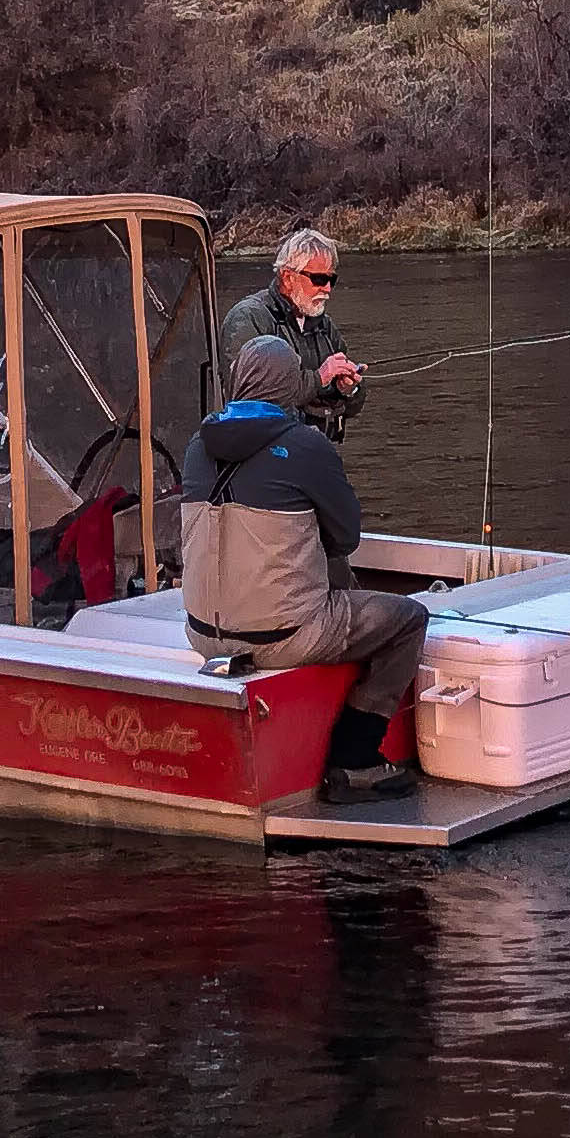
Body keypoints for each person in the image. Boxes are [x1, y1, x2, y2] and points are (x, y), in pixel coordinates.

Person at [179, 335, 424, 805]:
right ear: (291, 385)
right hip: (285, 636)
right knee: (407, 620)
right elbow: (346, 538)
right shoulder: (306, 446)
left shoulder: (196, 446)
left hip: (202, 635)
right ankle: (356, 758)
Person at [220, 227, 366, 434]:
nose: (327, 289)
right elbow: (248, 399)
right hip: (266, 452)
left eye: (331, 280)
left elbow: (353, 406)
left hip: (317, 450)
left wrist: (350, 390)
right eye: (319, 279)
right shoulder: (247, 318)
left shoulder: (325, 326)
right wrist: (319, 379)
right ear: (288, 277)